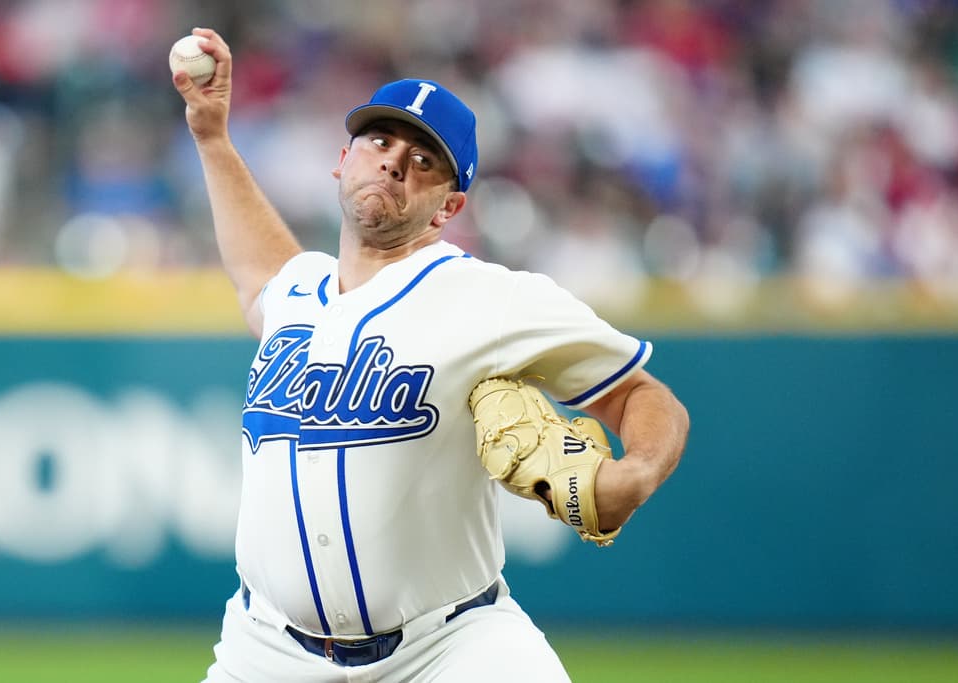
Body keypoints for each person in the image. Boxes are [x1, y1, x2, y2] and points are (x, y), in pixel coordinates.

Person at [173, 27, 689, 683]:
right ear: (342, 159)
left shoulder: (488, 297)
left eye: (422, 160)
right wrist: (213, 138)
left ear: (450, 205)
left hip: (450, 648)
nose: (393, 161)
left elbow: (642, 393)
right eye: (380, 142)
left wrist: (635, 474)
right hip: (266, 648)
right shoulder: (296, 288)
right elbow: (258, 274)